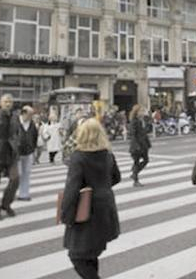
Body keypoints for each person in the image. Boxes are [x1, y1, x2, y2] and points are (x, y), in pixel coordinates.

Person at [61, 118, 121, 279]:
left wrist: (65, 214)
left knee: (77, 256)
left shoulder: (79, 157)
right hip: (105, 208)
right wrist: (101, 187)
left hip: (86, 209)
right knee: (91, 253)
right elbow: (117, 177)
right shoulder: (108, 154)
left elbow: (71, 189)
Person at [16, 106, 38, 202]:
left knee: (26, 173)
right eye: (30, 115)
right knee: (17, 174)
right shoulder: (15, 122)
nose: (31, 117)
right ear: (24, 113)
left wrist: (33, 148)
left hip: (28, 152)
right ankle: (13, 192)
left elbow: (35, 136)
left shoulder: (32, 124)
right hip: (17, 153)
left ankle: (24, 194)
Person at [128, 104, 151, 187]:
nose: (143, 112)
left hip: (144, 144)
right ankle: (135, 180)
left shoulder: (143, 120)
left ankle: (135, 172)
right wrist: (135, 145)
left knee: (146, 160)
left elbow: (147, 130)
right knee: (136, 162)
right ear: (137, 112)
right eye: (141, 111)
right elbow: (132, 134)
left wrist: (148, 119)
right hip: (137, 145)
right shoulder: (134, 121)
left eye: (143, 111)